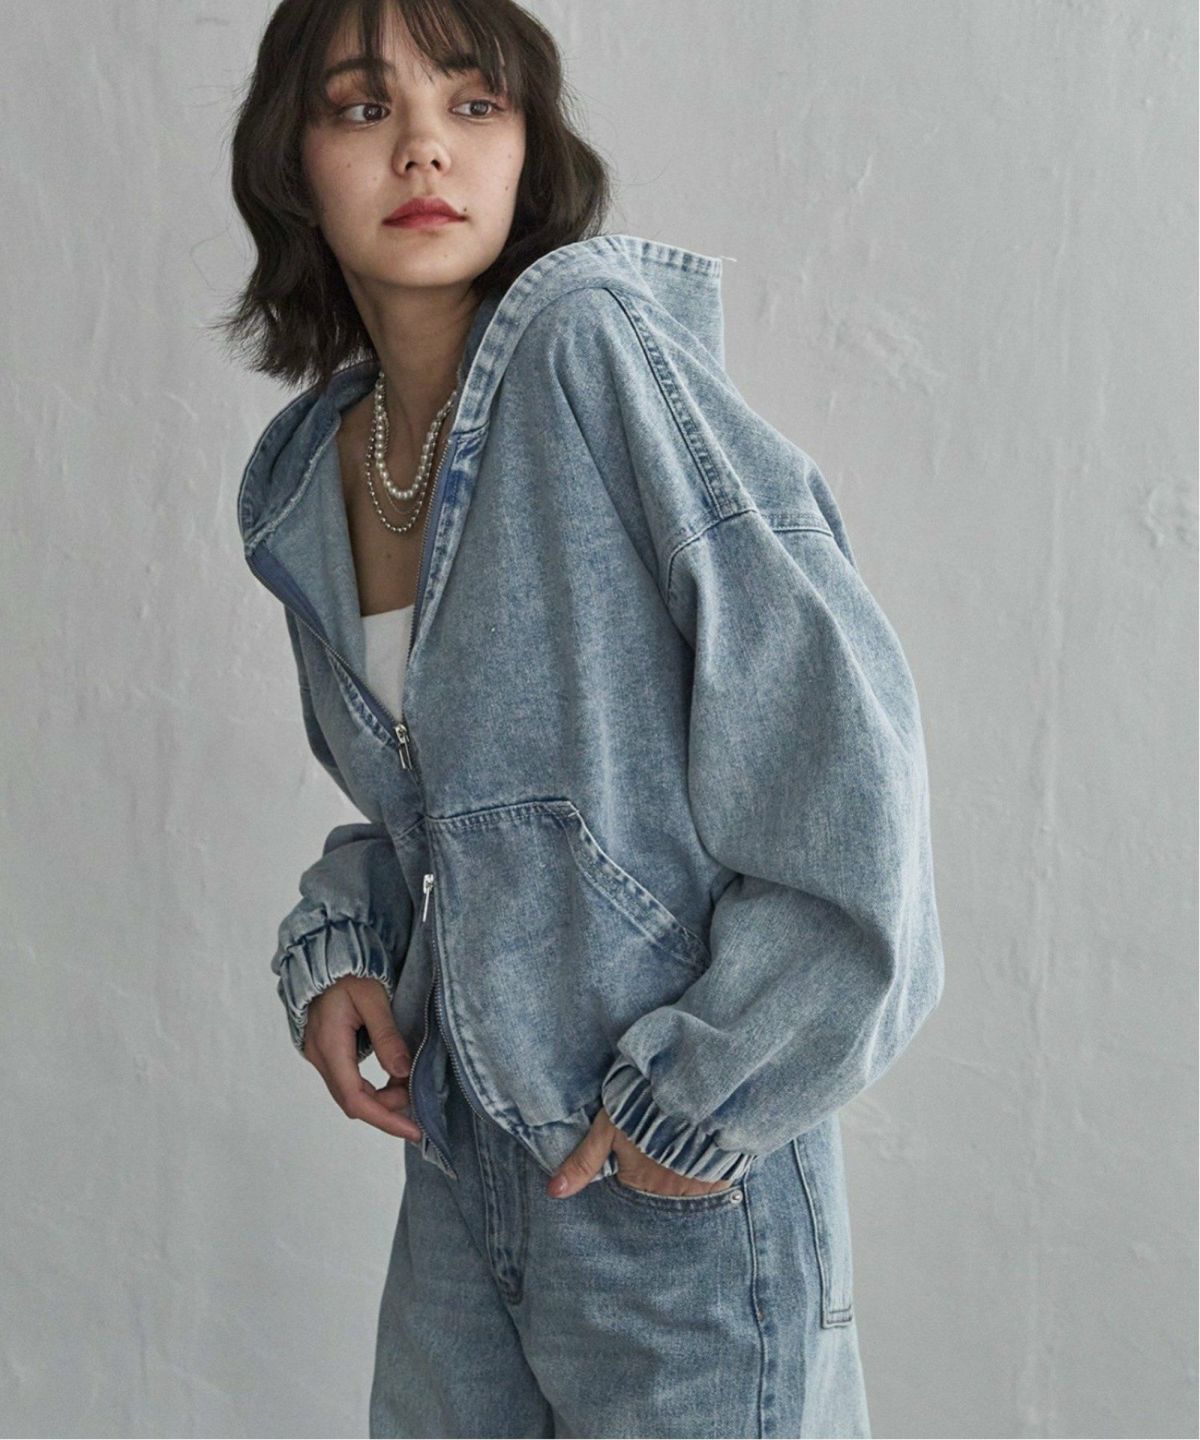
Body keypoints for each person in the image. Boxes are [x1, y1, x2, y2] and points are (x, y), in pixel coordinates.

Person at [216, 1, 945, 1435]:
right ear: (292, 164)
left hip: (668, 1186)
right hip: (460, 1165)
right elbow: (442, 811)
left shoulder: (588, 350)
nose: (424, 145)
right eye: (362, 106)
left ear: (528, 148)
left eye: (473, 102)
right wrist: (347, 942)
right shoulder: (315, 473)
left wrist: (708, 1095)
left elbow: (848, 756)